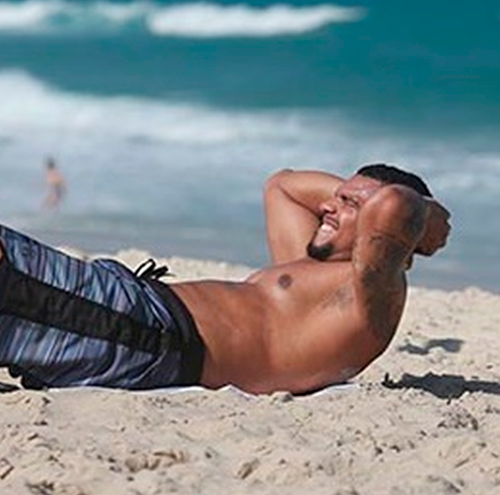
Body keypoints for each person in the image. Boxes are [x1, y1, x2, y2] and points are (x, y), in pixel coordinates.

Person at [0, 164, 451, 394]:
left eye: (350, 204)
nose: (329, 206)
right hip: (129, 311)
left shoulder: (367, 301)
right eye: (337, 197)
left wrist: (424, 218)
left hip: (143, 333)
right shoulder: (307, 267)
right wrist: (354, 197)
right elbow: (283, 184)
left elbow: (393, 207)